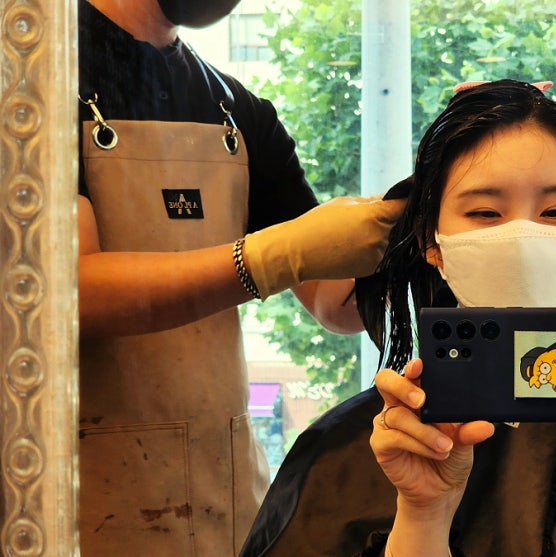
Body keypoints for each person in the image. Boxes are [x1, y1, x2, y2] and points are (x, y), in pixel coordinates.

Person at [239, 80, 556, 557]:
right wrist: (422, 517)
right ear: (431, 242)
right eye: (485, 213)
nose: (523, 240)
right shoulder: (352, 450)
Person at [76, 0, 402, 555]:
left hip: (224, 501)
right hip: (83, 504)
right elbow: (72, 293)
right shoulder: (32, 90)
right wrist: (269, 257)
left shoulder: (237, 111)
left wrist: (435, 193)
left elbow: (335, 303)